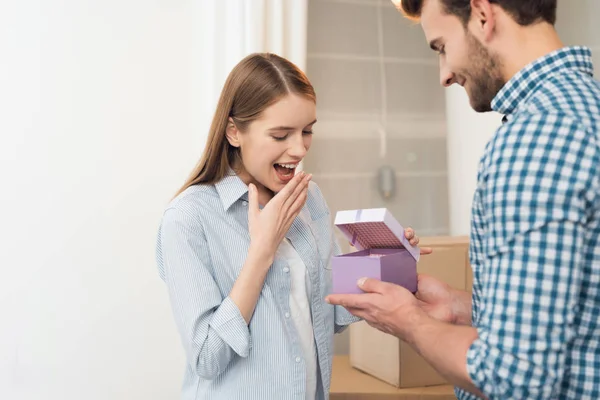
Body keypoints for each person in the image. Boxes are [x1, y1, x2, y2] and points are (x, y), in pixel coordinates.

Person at [326, 0, 600, 399]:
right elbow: (581, 312)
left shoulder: (534, 141)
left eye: (441, 46)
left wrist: (409, 323)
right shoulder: (585, 108)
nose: (445, 74)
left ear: (483, 15)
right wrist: (459, 308)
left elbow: (516, 380)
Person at [155, 52, 427, 400]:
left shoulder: (307, 196)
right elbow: (206, 357)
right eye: (281, 135)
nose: (299, 148)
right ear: (235, 132)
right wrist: (262, 251)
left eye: (307, 131)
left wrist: (388, 261)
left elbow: (330, 313)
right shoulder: (188, 218)